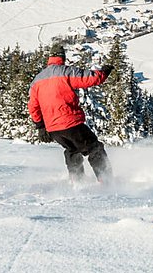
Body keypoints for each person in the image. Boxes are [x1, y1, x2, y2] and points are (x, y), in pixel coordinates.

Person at [28, 46, 113, 183]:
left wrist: (40, 126)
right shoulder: (66, 72)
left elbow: (33, 106)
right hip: (70, 123)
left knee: (72, 150)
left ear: (49, 58)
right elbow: (89, 79)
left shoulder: (37, 80)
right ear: (62, 57)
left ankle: (77, 181)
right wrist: (104, 72)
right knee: (94, 147)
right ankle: (107, 181)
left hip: (53, 129)